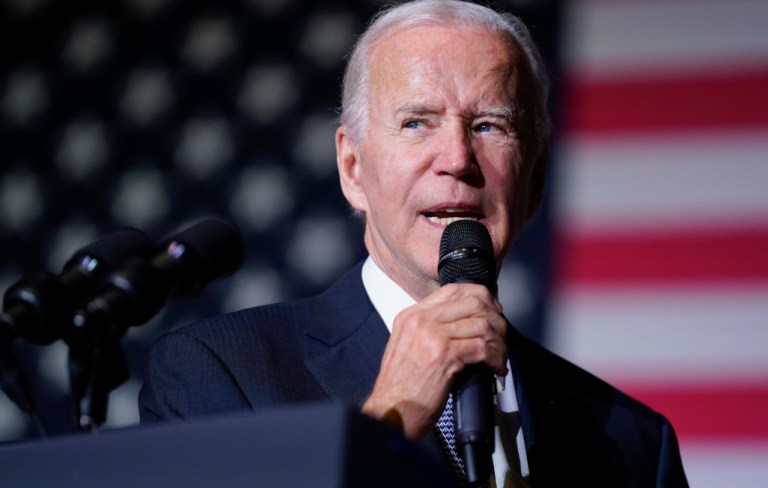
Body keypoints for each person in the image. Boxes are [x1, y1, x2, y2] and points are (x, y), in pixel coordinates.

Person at [139, 1, 689, 486]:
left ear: (535, 182)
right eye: (417, 123)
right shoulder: (217, 375)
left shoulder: (636, 443)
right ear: (353, 168)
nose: (456, 159)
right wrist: (387, 423)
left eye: (490, 126)